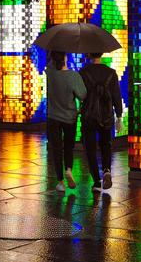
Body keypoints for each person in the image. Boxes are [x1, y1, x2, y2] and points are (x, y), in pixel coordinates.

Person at [80, 52, 124, 191]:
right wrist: (119, 116)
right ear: (101, 54)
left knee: (90, 147)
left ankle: (96, 181)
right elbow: (117, 96)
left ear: (90, 54)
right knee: (106, 144)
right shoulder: (111, 73)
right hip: (106, 115)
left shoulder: (83, 72)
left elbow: (81, 94)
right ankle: (106, 170)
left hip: (89, 115)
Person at [46, 51, 87, 192]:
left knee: (56, 149)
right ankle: (68, 169)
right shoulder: (73, 76)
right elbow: (82, 95)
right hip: (70, 117)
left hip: (53, 117)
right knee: (69, 146)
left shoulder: (50, 74)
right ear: (65, 58)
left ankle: (60, 182)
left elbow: (51, 64)